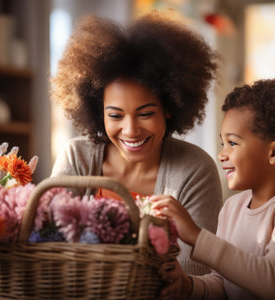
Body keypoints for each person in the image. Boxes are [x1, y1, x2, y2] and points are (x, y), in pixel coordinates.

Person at [51, 11, 223, 275]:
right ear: (98, 111)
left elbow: (194, 271)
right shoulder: (77, 157)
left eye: (145, 114)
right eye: (115, 115)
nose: (130, 131)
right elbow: (48, 245)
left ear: (169, 107)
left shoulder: (195, 169)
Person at [152, 78, 275, 300]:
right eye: (222, 143)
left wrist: (197, 237)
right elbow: (223, 285)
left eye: (232, 143)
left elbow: (273, 281)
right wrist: (187, 286)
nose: (222, 154)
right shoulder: (232, 207)